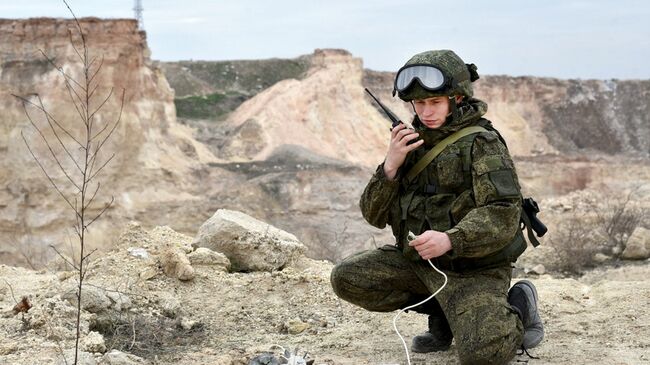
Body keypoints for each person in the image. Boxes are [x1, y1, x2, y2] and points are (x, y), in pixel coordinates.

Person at [330, 50, 544, 364]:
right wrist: (390, 167)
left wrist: (451, 239)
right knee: (347, 278)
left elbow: (502, 212)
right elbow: (373, 215)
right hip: (422, 265)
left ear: (456, 99)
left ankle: (519, 307)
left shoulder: (481, 143)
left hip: (475, 270)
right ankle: (446, 311)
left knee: (483, 355)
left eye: (434, 103)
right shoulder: (409, 144)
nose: (426, 112)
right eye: (419, 104)